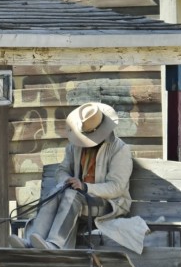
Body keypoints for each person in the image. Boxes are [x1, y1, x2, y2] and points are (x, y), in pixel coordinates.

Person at [11, 102, 133, 250]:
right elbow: (61, 170)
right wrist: (66, 181)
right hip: (78, 198)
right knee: (56, 192)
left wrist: (85, 187)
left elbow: (116, 187)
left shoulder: (120, 149)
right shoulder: (75, 145)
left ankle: (56, 244)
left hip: (108, 204)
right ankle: (30, 242)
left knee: (70, 196)